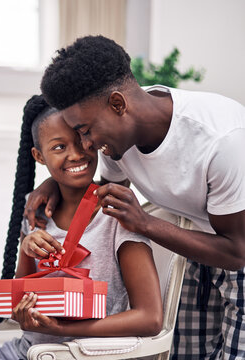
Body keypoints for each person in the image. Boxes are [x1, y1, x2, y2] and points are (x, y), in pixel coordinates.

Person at [27, 35, 245, 359]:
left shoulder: (222, 142)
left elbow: (238, 252)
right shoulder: (116, 138)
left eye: (85, 130)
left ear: (118, 104)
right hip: (199, 248)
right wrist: (53, 184)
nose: (86, 145)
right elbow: (101, 197)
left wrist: (145, 223)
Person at [0, 95, 163, 360]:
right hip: (26, 351)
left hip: (86, 355)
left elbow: (150, 318)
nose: (76, 153)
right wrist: (26, 249)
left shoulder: (117, 214)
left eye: (82, 139)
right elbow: (18, 301)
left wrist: (63, 328)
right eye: (59, 147)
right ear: (39, 156)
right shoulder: (35, 212)